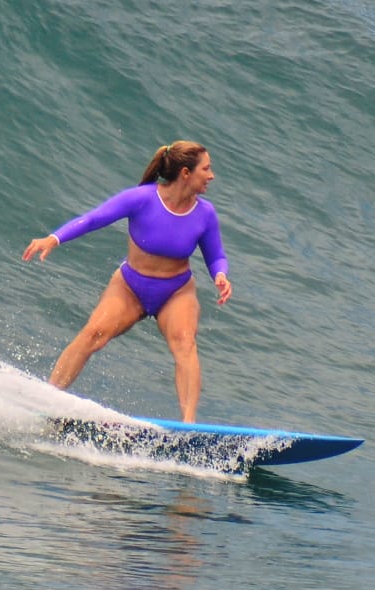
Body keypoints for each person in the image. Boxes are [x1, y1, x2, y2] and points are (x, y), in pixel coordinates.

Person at [23, 140, 232, 422]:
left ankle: (189, 426)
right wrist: (54, 238)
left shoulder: (205, 213)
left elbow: (215, 254)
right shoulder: (142, 199)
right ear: (185, 172)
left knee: (185, 344)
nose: (211, 175)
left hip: (176, 291)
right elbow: (93, 219)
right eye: (206, 169)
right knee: (93, 334)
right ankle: (48, 401)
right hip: (130, 286)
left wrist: (220, 275)